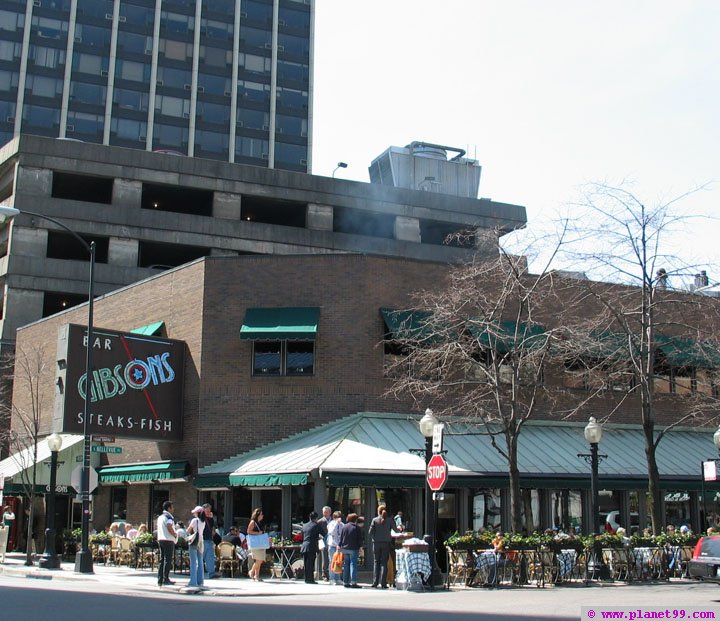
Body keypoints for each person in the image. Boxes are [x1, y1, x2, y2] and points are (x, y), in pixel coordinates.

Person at [369, 504, 400, 588]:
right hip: (386, 543)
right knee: (384, 563)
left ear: (378, 511)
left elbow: (370, 532)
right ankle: (383, 583)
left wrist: (375, 538)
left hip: (376, 543)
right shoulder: (389, 520)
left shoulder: (374, 520)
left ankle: (375, 582)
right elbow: (396, 531)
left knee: (376, 562)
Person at [156, 500, 177, 587]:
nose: (173, 509)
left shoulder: (160, 517)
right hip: (168, 539)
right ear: (169, 508)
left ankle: (160, 579)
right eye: (172, 507)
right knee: (167, 560)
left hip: (161, 539)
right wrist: (174, 534)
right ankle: (166, 578)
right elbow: (169, 526)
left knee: (162, 559)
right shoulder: (169, 517)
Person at [339, 512, 363, 588]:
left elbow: (341, 538)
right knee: (353, 564)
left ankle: (345, 582)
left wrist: (339, 545)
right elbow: (359, 539)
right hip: (353, 548)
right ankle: (353, 582)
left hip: (345, 548)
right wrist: (360, 547)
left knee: (346, 565)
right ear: (355, 519)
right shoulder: (356, 528)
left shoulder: (344, 527)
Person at [186, 506, 207, 590]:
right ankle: (200, 580)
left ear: (197, 513)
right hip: (201, 541)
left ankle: (193, 581)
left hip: (194, 541)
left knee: (193, 562)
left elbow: (188, 530)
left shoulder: (194, 520)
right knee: (200, 561)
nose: (194, 513)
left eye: (195, 512)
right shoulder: (203, 521)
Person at [300, 511, 323, 584]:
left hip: (304, 545)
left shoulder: (304, 525)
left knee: (306, 563)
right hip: (312, 546)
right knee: (311, 563)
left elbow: (302, 535)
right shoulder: (316, 525)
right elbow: (324, 534)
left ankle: (306, 578)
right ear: (316, 518)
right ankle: (310, 579)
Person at [247, 508, 266, 581]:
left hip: (260, 543)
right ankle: (251, 571)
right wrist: (258, 533)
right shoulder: (253, 522)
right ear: (257, 515)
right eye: (261, 514)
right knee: (259, 559)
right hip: (255, 543)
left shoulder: (259, 523)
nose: (262, 516)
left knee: (259, 560)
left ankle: (256, 576)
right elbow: (248, 531)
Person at [326, 511, 344, 585]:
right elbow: (331, 532)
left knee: (339, 562)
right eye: (338, 517)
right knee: (332, 562)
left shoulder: (342, 525)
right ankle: (332, 578)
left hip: (339, 546)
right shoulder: (331, 524)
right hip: (332, 545)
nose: (339, 519)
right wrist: (336, 524)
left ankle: (338, 578)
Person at [202, 503, 217, 579]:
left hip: (209, 539)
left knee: (210, 557)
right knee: (202, 557)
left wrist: (211, 518)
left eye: (209, 510)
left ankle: (212, 573)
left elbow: (212, 527)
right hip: (203, 540)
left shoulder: (209, 519)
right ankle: (199, 573)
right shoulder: (201, 518)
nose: (209, 511)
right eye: (207, 510)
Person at [317, 505, 332, 581]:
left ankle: (332, 573)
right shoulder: (320, 521)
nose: (325, 514)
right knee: (325, 559)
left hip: (332, 542)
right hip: (324, 541)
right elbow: (317, 533)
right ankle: (324, 574)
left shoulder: (333, 521)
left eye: (326, 512)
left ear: (330, 512)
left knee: (331, 558)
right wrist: (321, 541)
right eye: (324, 512)